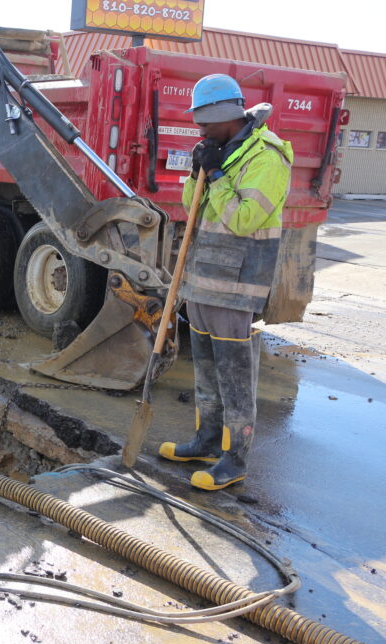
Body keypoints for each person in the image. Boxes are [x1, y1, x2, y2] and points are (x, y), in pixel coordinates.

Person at [158, 74, 293, 491]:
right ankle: (206, 440)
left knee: (234, 376)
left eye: (204, 122)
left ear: (225, 116)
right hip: (202, 280)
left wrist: (215, 175)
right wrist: (196, 172)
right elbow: (191, 210)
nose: (200, 129)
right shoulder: (224, 150)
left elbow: (244, 219)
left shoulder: (266, 157)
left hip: (237, 286)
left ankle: (234, 459)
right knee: (206, 369)